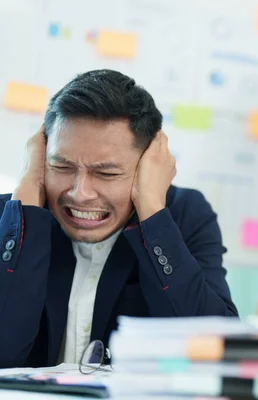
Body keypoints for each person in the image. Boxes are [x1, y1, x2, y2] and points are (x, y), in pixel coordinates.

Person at [0, 69, 238, 369]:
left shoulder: (184, 214)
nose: (80, 193)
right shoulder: (12, 218)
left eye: (106, 173)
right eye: (61, 166)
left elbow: (215, 354)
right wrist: (27, 204)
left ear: (148, 166)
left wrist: (152, 211)